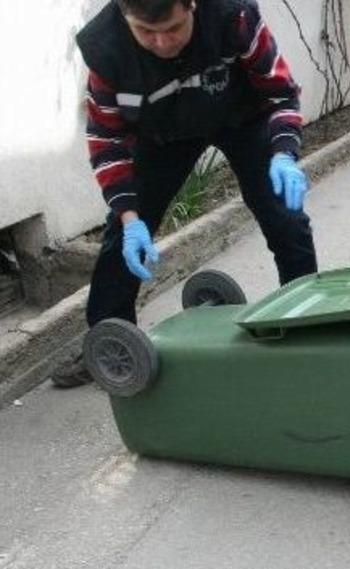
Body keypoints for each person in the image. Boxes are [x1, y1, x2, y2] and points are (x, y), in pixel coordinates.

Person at [53, 0, 317, 387]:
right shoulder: (106, 49)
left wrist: (283, 153)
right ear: (125, 16)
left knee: (285, 217)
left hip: (242, 117)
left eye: (174, 28)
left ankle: (307, 321)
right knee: (123, 235)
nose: (161, 43)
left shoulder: (234, 16)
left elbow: (281, 92)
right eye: (146, 32)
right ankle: (108, 337)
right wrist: (129, 217)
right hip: (163, 134)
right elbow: (107, 140)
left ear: (192, 5)